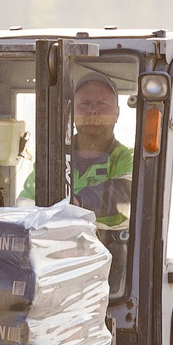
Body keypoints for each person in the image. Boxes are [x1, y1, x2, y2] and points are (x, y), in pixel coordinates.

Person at [70, 74, 134, 229]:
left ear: (117, 114)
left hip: (114, 250)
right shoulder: (52, 157)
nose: (92, 111)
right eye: (84, 104)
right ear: (71, 112)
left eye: (102, 104)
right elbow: (27, 203)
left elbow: (125, 197)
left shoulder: (130, 160)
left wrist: (78, 203)